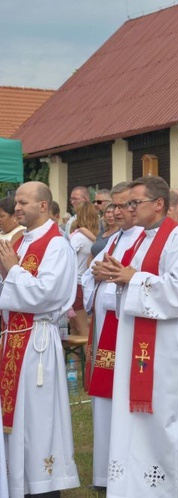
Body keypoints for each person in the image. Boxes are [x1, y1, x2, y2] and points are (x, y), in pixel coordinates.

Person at [98, 176, 178, 497]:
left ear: (159, 204)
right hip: (139, 340)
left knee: (167, 414)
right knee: (138, 416)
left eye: (136, 203)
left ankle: (172, 484)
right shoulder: (143, 239)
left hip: (167, 346)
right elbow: (134, 281)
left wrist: (132, 279)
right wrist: (120, 277)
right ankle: (138, 482)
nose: (130, 209)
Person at [0, 181, 80, 497]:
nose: (16, 208)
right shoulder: (20, 242)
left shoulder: (56, 245)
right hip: (14, 340)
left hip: (37, 343)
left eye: (23, 202)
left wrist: (12, 271)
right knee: (18, 417)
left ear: (43, 205)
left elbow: (46, 296)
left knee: (39, 418)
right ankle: (17, 482)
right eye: (16, 203)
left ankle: (43, 486)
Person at [81, 181, 145, 491]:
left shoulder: (145, 239)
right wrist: (97, 276)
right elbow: (90, 274)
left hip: (128, 329)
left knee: (124, 398)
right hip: (105, 326)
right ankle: (105, 473)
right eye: (113, 207)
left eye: (123, 206)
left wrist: (111, 276)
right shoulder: (114, 240)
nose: (116, 212)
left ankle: (125, 469)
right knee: (105, 400)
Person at [69, 201, 100, 336]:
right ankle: (77, 357)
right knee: (79, 327)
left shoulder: (78, 238)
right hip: (86, 283)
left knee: (79, 327)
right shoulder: (96, 237)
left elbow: (67, 256)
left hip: (75, 284)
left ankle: (84, 357)